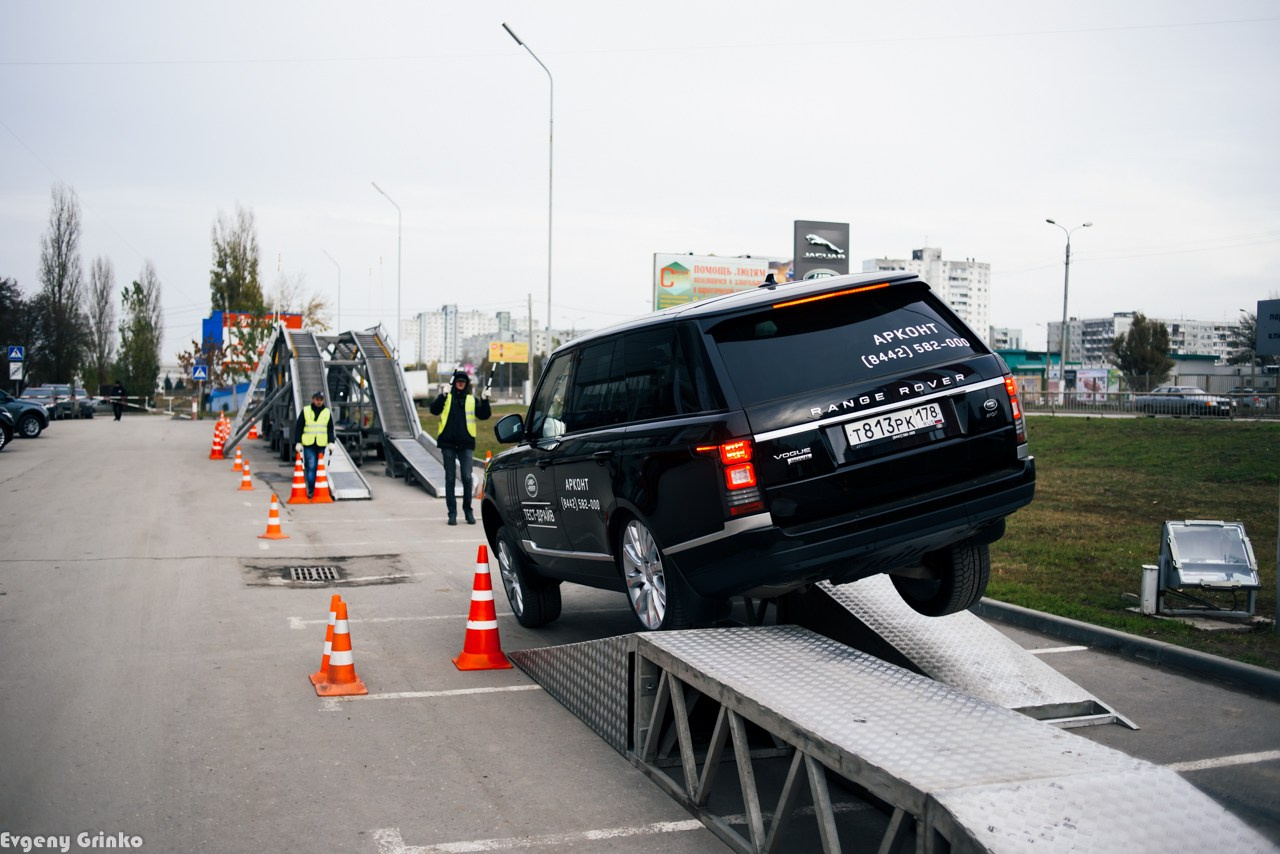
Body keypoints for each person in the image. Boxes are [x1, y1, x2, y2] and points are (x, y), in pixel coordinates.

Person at [429, 370, 491, 525]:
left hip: (466, 444)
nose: (461, 383)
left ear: (466, 384)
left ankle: (468, 511)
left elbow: (484, 415)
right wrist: (442, 396)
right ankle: (452, 513)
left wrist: (485, 400)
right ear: (455, 383)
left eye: (463, 381)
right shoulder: (447, 398)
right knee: (450, 478)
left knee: (467, 477)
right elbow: (434, 410)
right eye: (458, 381)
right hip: (448, 444)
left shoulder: (471, 400)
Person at [293, 390, 334, 500]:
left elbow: (330, 429)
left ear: (323, 400)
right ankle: (311, 490)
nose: (319, 402)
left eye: (321, 400)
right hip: (308, 443)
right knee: (311, 466)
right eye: (317, 399)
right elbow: (299, 427)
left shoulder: (326, 412)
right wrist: (298, 442)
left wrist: (331, 442)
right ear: (313, 399)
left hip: (321, 444)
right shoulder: (306, 411)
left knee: (319, 468)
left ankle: (319, 489)